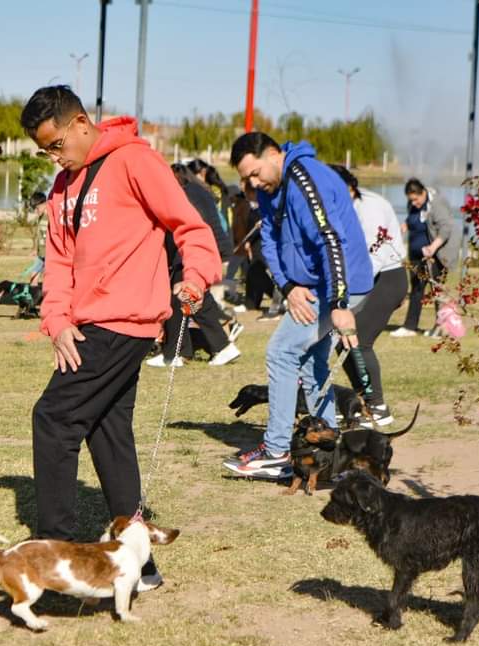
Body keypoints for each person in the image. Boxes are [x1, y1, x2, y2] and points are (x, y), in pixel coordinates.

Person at [22, 85, 220, 587]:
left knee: (54, 419)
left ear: (82, 123)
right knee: (108, 433)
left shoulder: (136, 162)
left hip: (123, 321)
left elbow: (191, 228)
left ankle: (55, 558)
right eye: (43, 151)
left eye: (55, 145)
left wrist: (194, 277)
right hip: (85, 323)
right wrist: (58, 321)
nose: (52, 157)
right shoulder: (62, 187)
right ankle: (140, 565)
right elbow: (59, 262)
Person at [223, 133, 372, 479]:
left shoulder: (305, 177)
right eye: (245, 179)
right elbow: (271, 240)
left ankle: (276, 450)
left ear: (274, 154)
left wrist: (337, 302)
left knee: (282, 351)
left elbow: (330, 240)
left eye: (255, 173)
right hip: (310, 287)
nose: (252, 183)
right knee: (311, 361)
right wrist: (288, 285)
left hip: (339, 284)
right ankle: (329, 448)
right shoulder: (269, 189)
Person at [329, 165, 408, 427]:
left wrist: (347, 289)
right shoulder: (343, 208)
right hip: (362, 277)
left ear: (348, 188)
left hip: (387, 276)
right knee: (345, 340)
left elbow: (376, 255)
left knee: (359, 340)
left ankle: (378, 407)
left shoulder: (370, 207)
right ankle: (362, 400)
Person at [146, 163, 241, 367]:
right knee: (193, 301)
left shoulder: (184, 194)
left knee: (185, 299)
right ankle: (186, 351)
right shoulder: (197, 190)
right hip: (201, 252)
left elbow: (187, 227)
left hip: (191, 254)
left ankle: (194, 351)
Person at [389, 177, 461, 338]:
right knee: (416, 289)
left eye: (416, 199)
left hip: (435, 256)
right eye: (411, 200)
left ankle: (441, 327)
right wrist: (404, 226)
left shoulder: (437, 203)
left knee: (437, 290)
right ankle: (410, 326)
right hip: (416, 254)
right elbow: (412, 219)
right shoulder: (413, 204)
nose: (414, 203)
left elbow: (446, 229)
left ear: (423, 193)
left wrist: (432, 248)